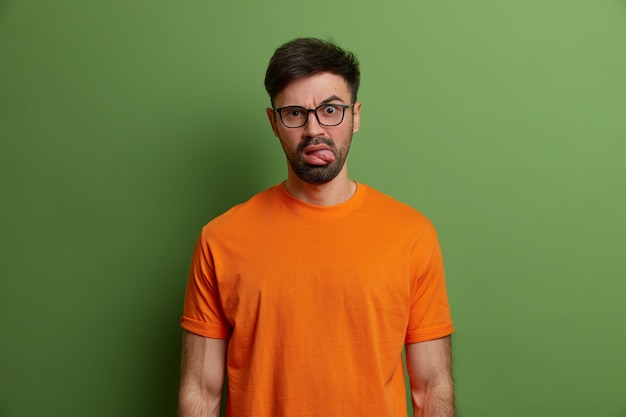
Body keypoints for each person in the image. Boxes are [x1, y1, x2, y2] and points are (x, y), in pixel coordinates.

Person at [177, 37, 455, 417]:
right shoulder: (220, 239)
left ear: (355, 116)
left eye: (330, 110)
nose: (313, 130)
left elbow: (432, 384)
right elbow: (201, 389)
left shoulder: (412, 235)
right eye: (294, 113)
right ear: (274, 123)